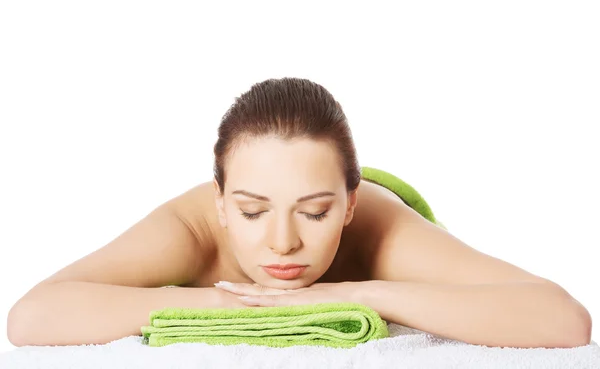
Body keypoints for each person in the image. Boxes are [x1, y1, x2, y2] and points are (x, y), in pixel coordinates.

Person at [7, 77, 591, 349]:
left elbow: (563, 320)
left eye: (313, 212)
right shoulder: (188, 228)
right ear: (220, 202)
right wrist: (227, 302)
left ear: (348, 206)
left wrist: (361, 294)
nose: (281, 242)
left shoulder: (379, 228)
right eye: (252, 210)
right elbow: (31, 318)